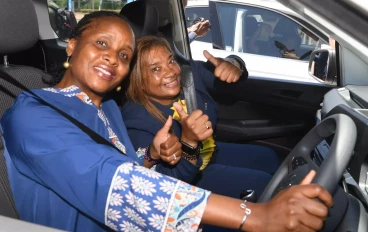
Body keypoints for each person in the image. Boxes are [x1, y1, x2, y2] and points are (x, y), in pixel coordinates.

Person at [1, 11, 333, 232]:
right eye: (101, 43)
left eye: (124, 55)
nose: (111, 57)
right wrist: (254, 215)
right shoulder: (33, 114)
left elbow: (128, 167)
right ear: (71, 46)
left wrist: (151, 158)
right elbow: (112, 182)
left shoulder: (106, 111)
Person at [121, 36, 279, 201]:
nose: (171, 72)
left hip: (210, 153)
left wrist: (234, 65)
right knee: (264, 184)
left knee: (270, 157)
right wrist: (189, 143)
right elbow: (166, 186)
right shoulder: (136, 122)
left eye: (170, 61)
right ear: (137, 80)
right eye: (155, 69)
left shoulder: (189, 75)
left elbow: (233, 78)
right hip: (189, 178)